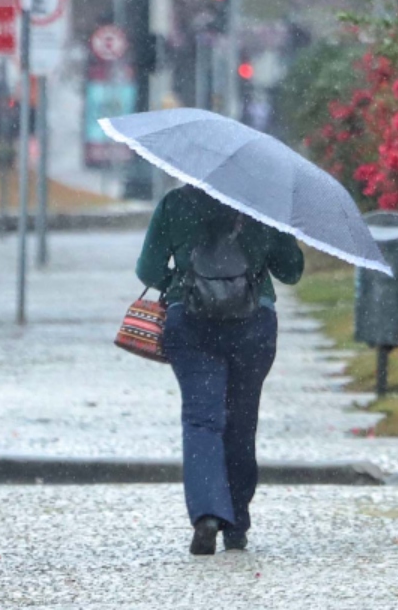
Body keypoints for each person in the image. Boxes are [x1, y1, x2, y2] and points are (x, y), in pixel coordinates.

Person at [136, 182, 304, 555]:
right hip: (253, 324)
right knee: (242, 422)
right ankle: (237, 524)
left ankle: (208, 514)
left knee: (202, 420)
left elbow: (147, 269)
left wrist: (182, 285)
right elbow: (291, 271)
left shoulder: (175, 203)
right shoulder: (262, 202)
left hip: (190, 323)